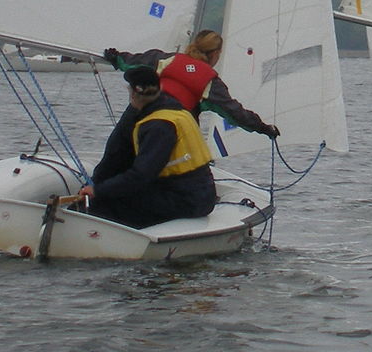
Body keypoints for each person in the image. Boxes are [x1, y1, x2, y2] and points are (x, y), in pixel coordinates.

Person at [79, 65, 217, 228]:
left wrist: (98, 190)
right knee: (123, 195)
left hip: (187, 199)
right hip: (199, 192)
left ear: (133, 93)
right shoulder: (177, 111)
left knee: (103, 204)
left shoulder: (157, 126)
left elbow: (141, 176)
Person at [103, 29, 279, 140]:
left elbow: (131, 62)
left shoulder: (166, 59)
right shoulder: (211, 83)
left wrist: (115, 57)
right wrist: (263, 128)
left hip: (137, 120)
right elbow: (235, 113)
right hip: (171, 132)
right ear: (216, 53)